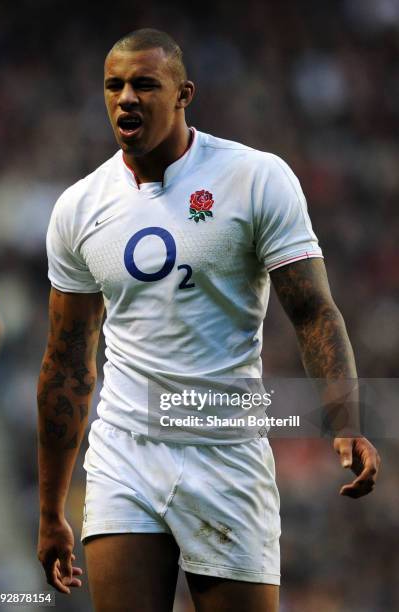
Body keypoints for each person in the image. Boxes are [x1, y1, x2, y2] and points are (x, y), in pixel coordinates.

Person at [37, 29, 380, 612]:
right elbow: (68, 362)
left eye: (144, 84)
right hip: (127, 450)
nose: (125, 98)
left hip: (225, 451)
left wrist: (344, 417)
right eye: (114, 85)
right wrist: (50, 511)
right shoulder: (80, 207)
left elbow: (313, 310)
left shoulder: (255, 178)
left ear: (183, 93)